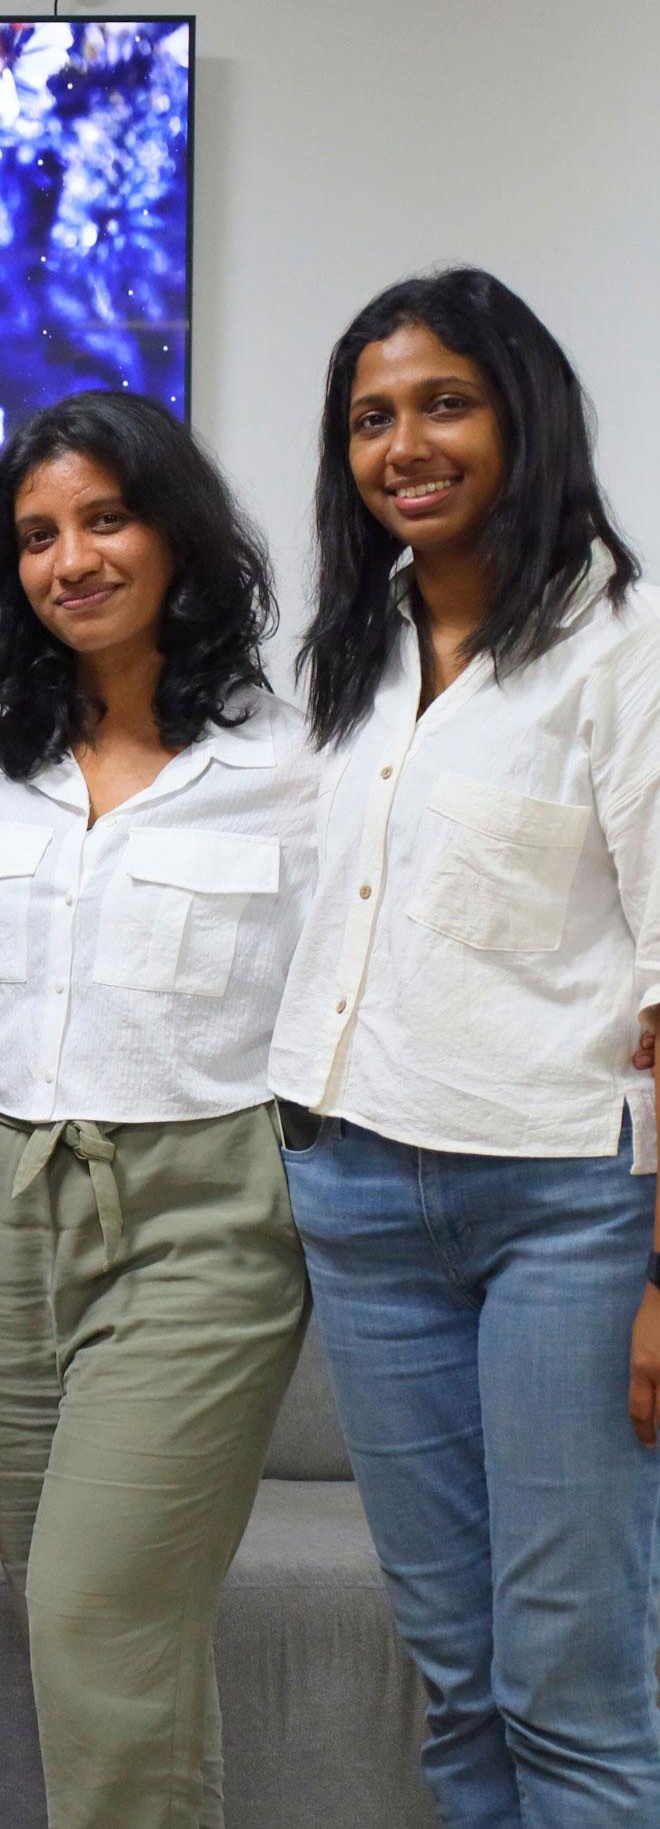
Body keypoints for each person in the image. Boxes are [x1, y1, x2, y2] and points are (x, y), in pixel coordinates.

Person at [268, 267, 660, 1827]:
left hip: (565, 1208)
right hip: (359, 1201)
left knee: (572, 1670)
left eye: (445, 403)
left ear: (523, 415)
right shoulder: (352, 657)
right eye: (373, 417)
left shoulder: (618, 648)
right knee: (453, 1664)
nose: (404, 444)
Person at [0, 391, 315, 1827]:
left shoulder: (298, 763)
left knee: (98, 1614)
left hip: (206, 1219)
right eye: (38, 535)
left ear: (179, 537)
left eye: (106, 518)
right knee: (93, 1629)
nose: (72, 559)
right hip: (5, 1214)